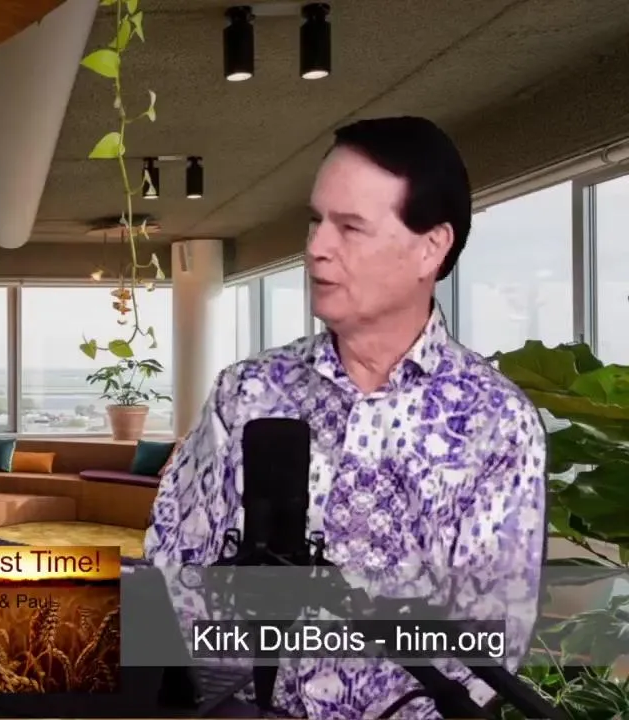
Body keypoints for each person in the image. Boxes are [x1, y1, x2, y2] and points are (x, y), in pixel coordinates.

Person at [145, 116, 546, 718]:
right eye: (316, 221)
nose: (316, 247)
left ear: (431, 247)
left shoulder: (496, 423)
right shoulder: (248, 392)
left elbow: (491, 637)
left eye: (350, 227)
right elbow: (174, 561)